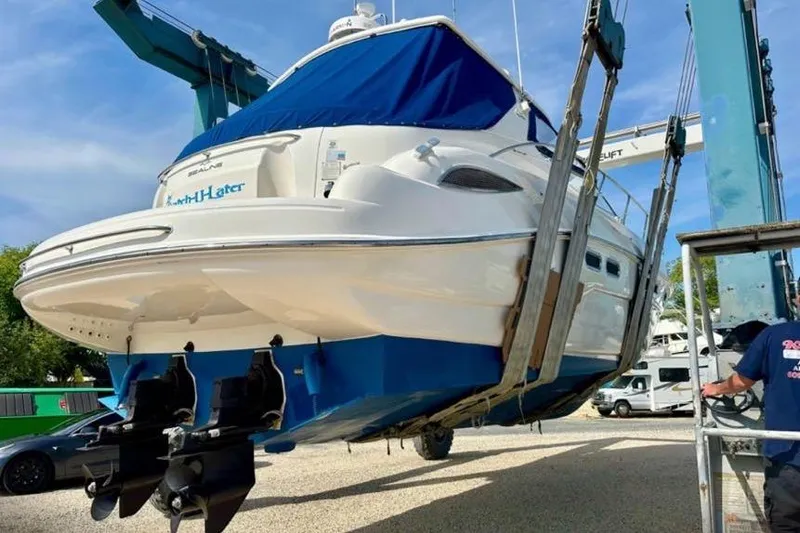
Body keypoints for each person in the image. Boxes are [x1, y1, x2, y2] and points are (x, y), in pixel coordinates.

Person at [701, 319, 800, 532]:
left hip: (787, 459)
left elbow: (741, 382)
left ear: (798, 298)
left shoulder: (773, 335)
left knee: (787, 526)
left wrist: (715, 389)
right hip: (787, 458)